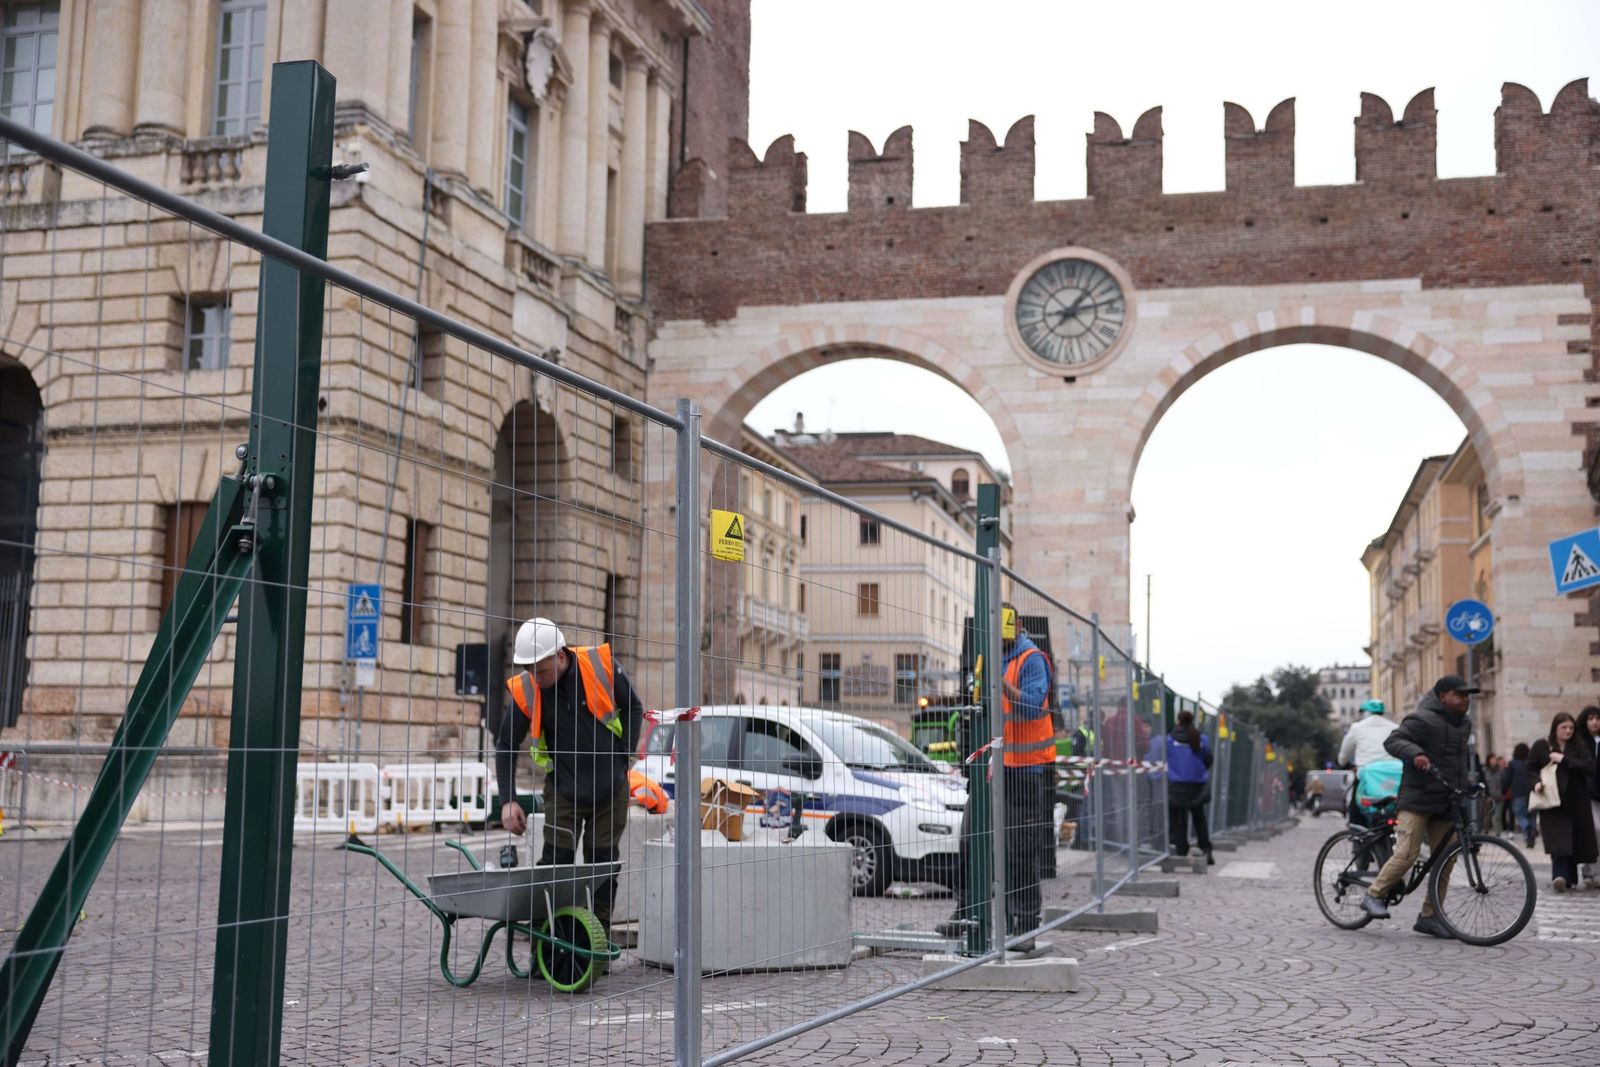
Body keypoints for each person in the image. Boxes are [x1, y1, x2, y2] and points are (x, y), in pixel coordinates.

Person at [494, 617, 644, 933]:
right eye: (530, 668)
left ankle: (597, 946)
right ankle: (546, 945)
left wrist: (623, 759)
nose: (536, 676)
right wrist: (507, 800)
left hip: (610, 790)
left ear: (560, 656)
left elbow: (633, 706)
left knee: (601, 867)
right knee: (555, 866)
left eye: (542, 669)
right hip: (564, 791)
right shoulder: (528, 688)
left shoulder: (599, 666)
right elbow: (506, 744)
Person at [938, 605, 1053, 950]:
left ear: (1017, 626)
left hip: (1022, 770)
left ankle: (1025, 926)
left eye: (1004, 630)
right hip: (992, 769)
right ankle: (968, 912)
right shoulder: (985, 659)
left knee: (1019, 850)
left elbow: (1032, 705)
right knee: (972, 839)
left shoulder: (1031, 659)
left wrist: (1001, 686)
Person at [1360, 675, 1477, 938]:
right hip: (1417, 798)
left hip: (1446, 800)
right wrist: (1416, 754)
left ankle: (1430, 916)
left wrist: (1469, 784)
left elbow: (1457, 763)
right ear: (1443, 696)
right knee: (1407, 853)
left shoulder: (1464, 723)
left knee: (1446, 860)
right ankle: (1373, 894)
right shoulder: (1421, 719)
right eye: (1460, 695)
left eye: (1468, 695)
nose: (1466, 700)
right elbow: (1393, 741)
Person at [1528, 711, 1597, 893]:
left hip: (1576, 801)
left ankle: (1569, 878)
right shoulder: (1541, 746)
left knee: (1573, 841)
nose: (1568, 731)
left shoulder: (1579, 746)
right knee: (1558, 841)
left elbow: (1589, 767)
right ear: (1555, 728)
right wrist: (1535, 783)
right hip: (1551, 801)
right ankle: (1559, 876)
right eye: (1564, 727)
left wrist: (1565, 760)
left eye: (1571, 728)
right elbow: (1531, 768)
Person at [1162, 709, 1214, 864]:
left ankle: (1181, 849)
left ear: (1178, 720)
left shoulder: (1169, 739)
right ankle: (1205, 848)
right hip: (1196, 784)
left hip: (1175, 783)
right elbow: (1208, 759)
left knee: (1177, 818)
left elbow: (1164, 758)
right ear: (1192, 721)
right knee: (1199, 818)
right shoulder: (1201, 739)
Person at [1580, 707, 1600, 888]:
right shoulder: (1581, 741)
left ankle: (1590, 871)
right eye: (1591, 718)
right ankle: (1593, 872)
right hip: (1588, 794)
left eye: (1597, 718)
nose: (1595, 722)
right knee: (1595, 830)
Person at [1506, 742, 1535, 847]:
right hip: (1532, 792)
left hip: (1518, 793)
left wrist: (1504, 790)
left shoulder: (1512, 763)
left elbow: (1507, 778)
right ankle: (1530, 836)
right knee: (1532, 815)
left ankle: (1526, 827)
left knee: (1520, 815)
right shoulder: (1530, 762)